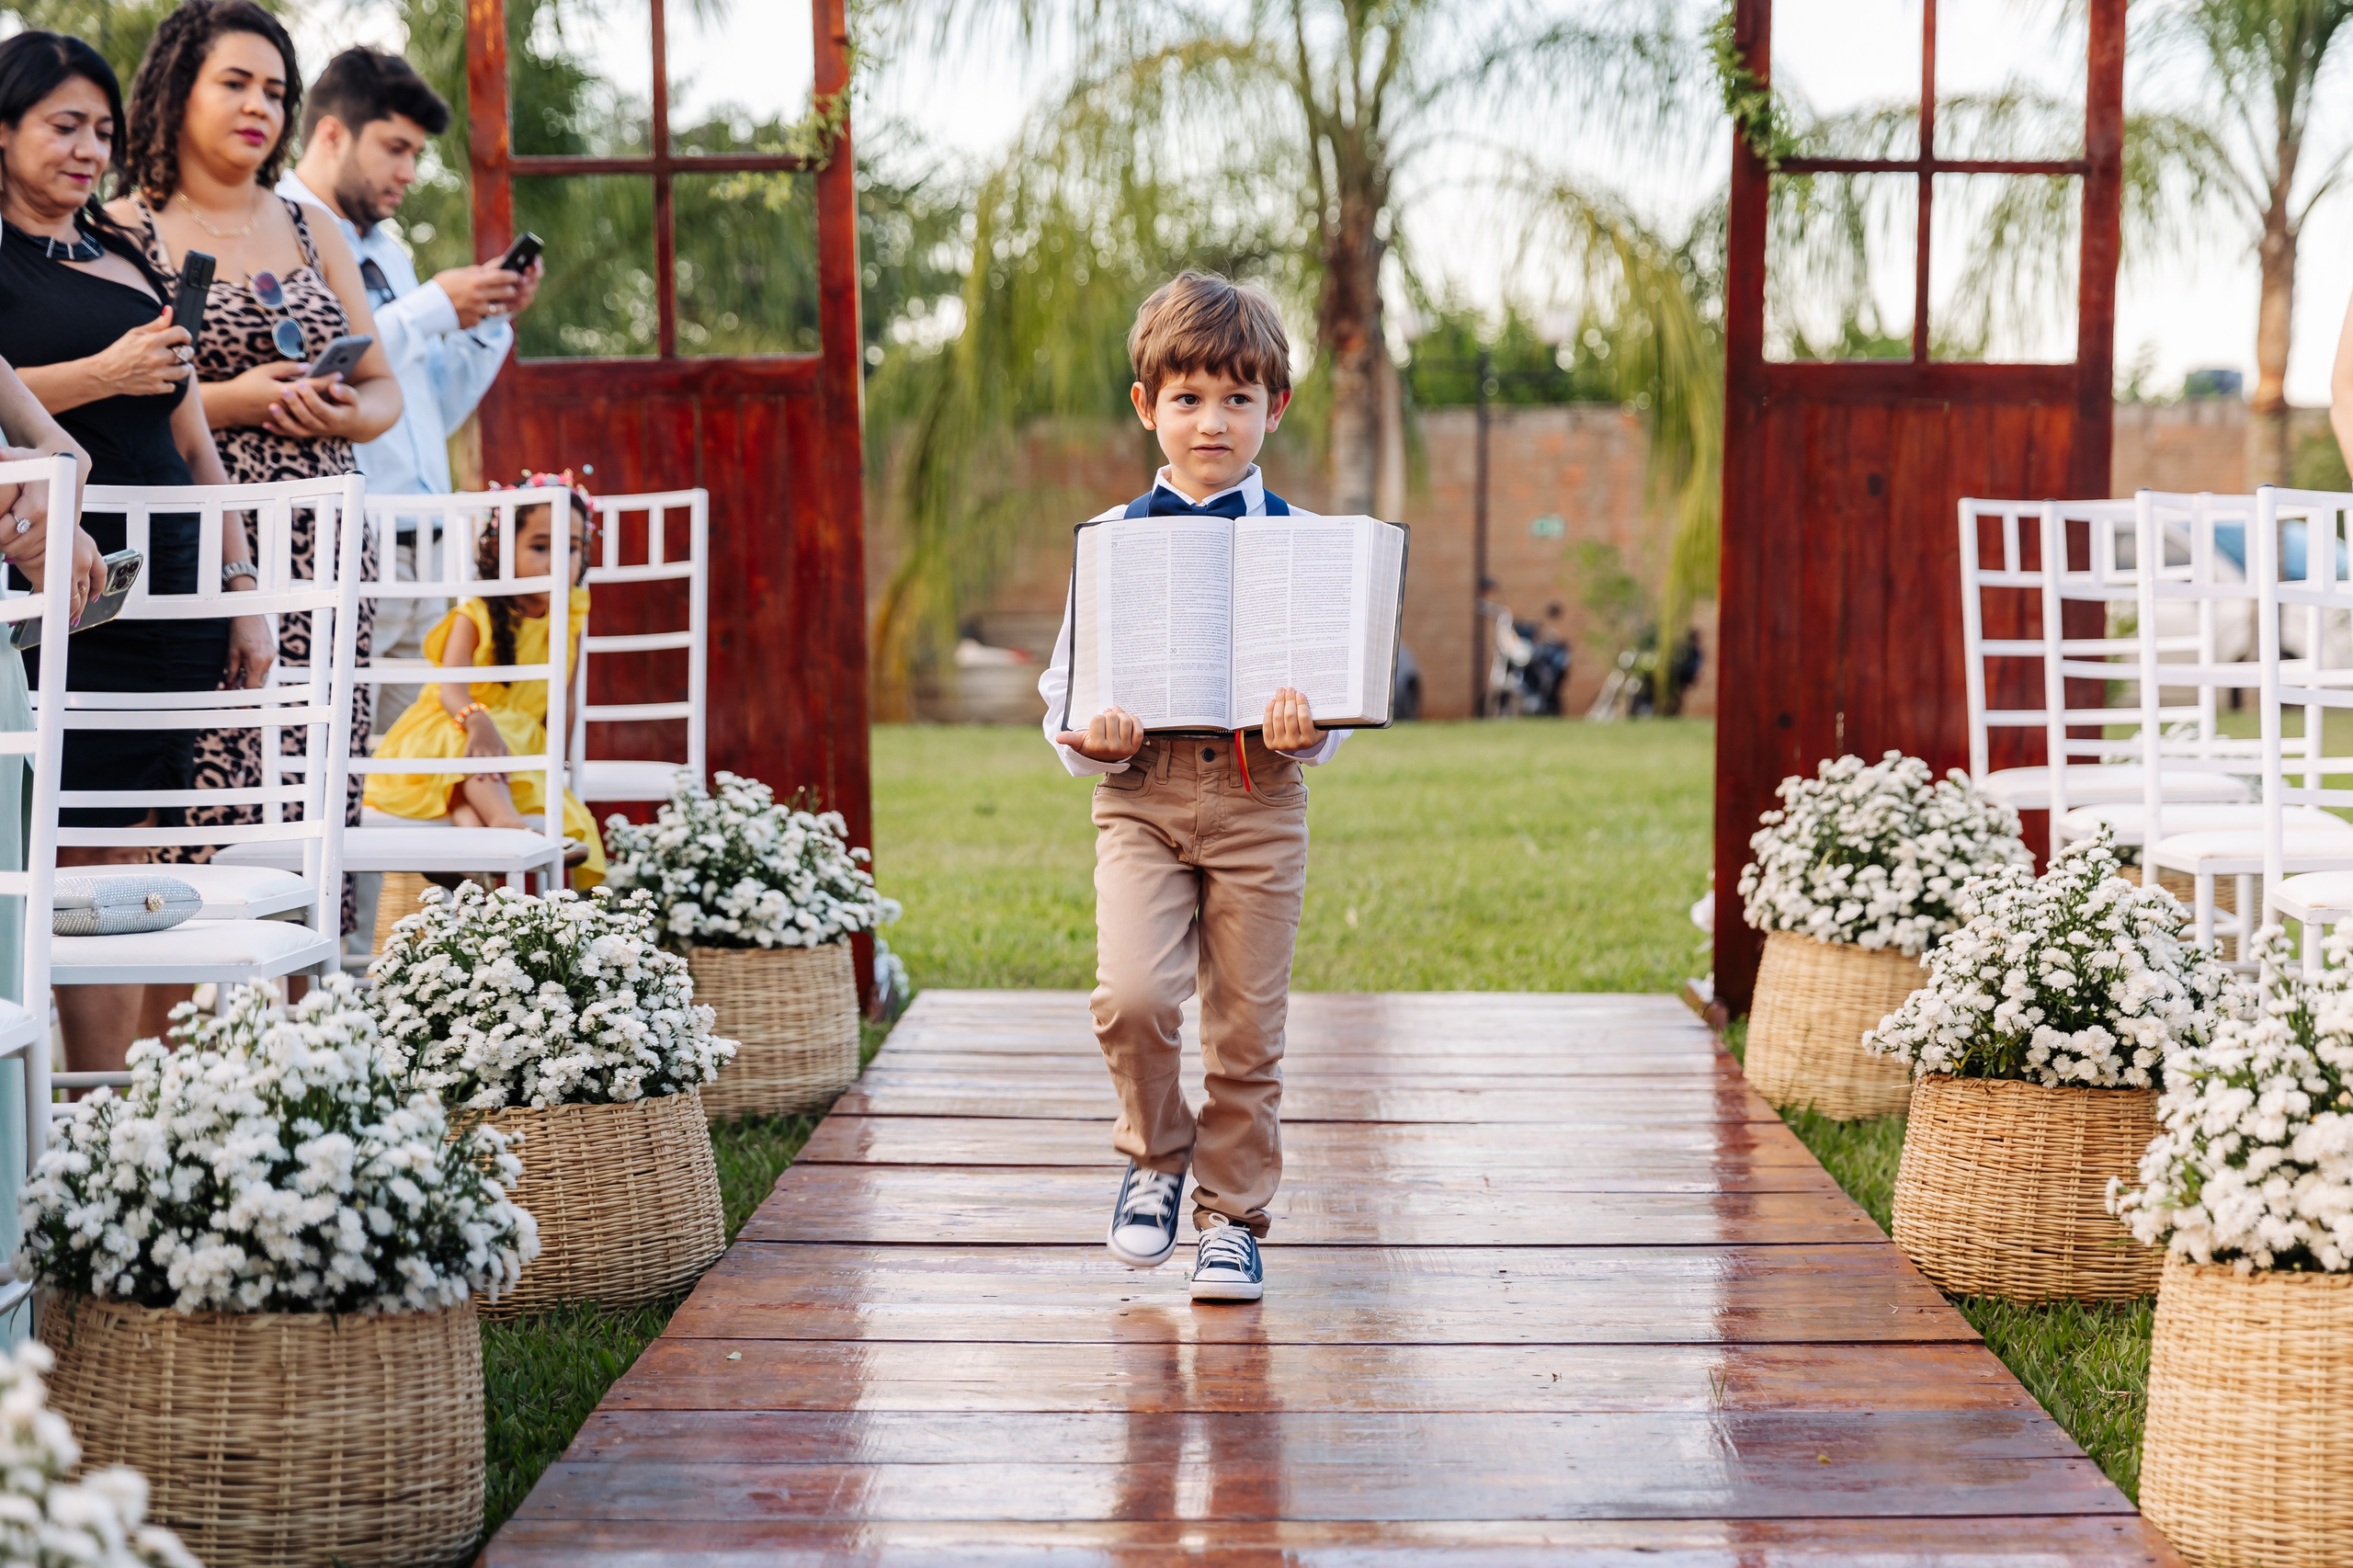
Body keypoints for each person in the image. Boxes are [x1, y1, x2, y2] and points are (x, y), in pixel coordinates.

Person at [1036, 271, 1342, 1304]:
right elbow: (1062, 684)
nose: (1212, 421)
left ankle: (1231, 1218)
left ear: (1275, 408)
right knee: (1130, 997)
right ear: (1146, 406)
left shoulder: (1303, 545)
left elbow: (1334, 689)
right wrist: (1092, 734)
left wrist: (1313, 729)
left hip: (1260, 796)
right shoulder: (1110, 539)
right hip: (1142, 795)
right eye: (1187, 398)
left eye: (1237, 398)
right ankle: (1155, 1156)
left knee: (1247, 1030)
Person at [0, 29, 273, 1064]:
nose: (87, 149)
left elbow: (192, 437)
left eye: (102, 131)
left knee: (144, 838)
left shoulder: (125, 253)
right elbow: (15, 409)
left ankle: (134, 1097)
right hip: (61, 588)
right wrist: (105, 371)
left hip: (173, 598)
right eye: (63, 126)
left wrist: (241, 587)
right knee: (82, 848)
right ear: (4, 128)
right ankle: (99, 1100)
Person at [109, 0, 400, 931]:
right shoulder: (123, 228)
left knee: (303, 798)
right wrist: (237, 402)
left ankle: (290, 1050)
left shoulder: (315, 228)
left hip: (322, 552)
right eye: (234, 82)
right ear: (175, 93)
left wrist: (344, 410)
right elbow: (118, 393)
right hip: (201, 545)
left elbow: (384, 387)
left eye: (275, 90)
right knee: (192, 809)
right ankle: (182, 1045)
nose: (258, 106)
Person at [280, 45, 542, 952]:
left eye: (416, 156)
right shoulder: (284, 228)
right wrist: (433, 304)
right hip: (345, 544)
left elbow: (423, 408)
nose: (405, 172)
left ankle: (427, 983)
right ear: (331, 133)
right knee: (342, 779)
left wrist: (487, 324)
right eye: (393, 148)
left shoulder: (388, 249)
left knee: (420, 772)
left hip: (425, 548)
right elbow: (327, 366)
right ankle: (340, 973)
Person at [364, 477, 604, 889]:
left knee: (494, 749)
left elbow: (564, 700)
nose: (557, 561)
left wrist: (555, 764)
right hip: (449, 727)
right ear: (500, 549)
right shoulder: (473, 613)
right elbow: (450, 691)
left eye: (571, 548)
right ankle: (506, 826)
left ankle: (473, 863)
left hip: (514, 749)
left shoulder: (571, 616)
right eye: (540, 547)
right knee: (474, 743)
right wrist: (478, 721)